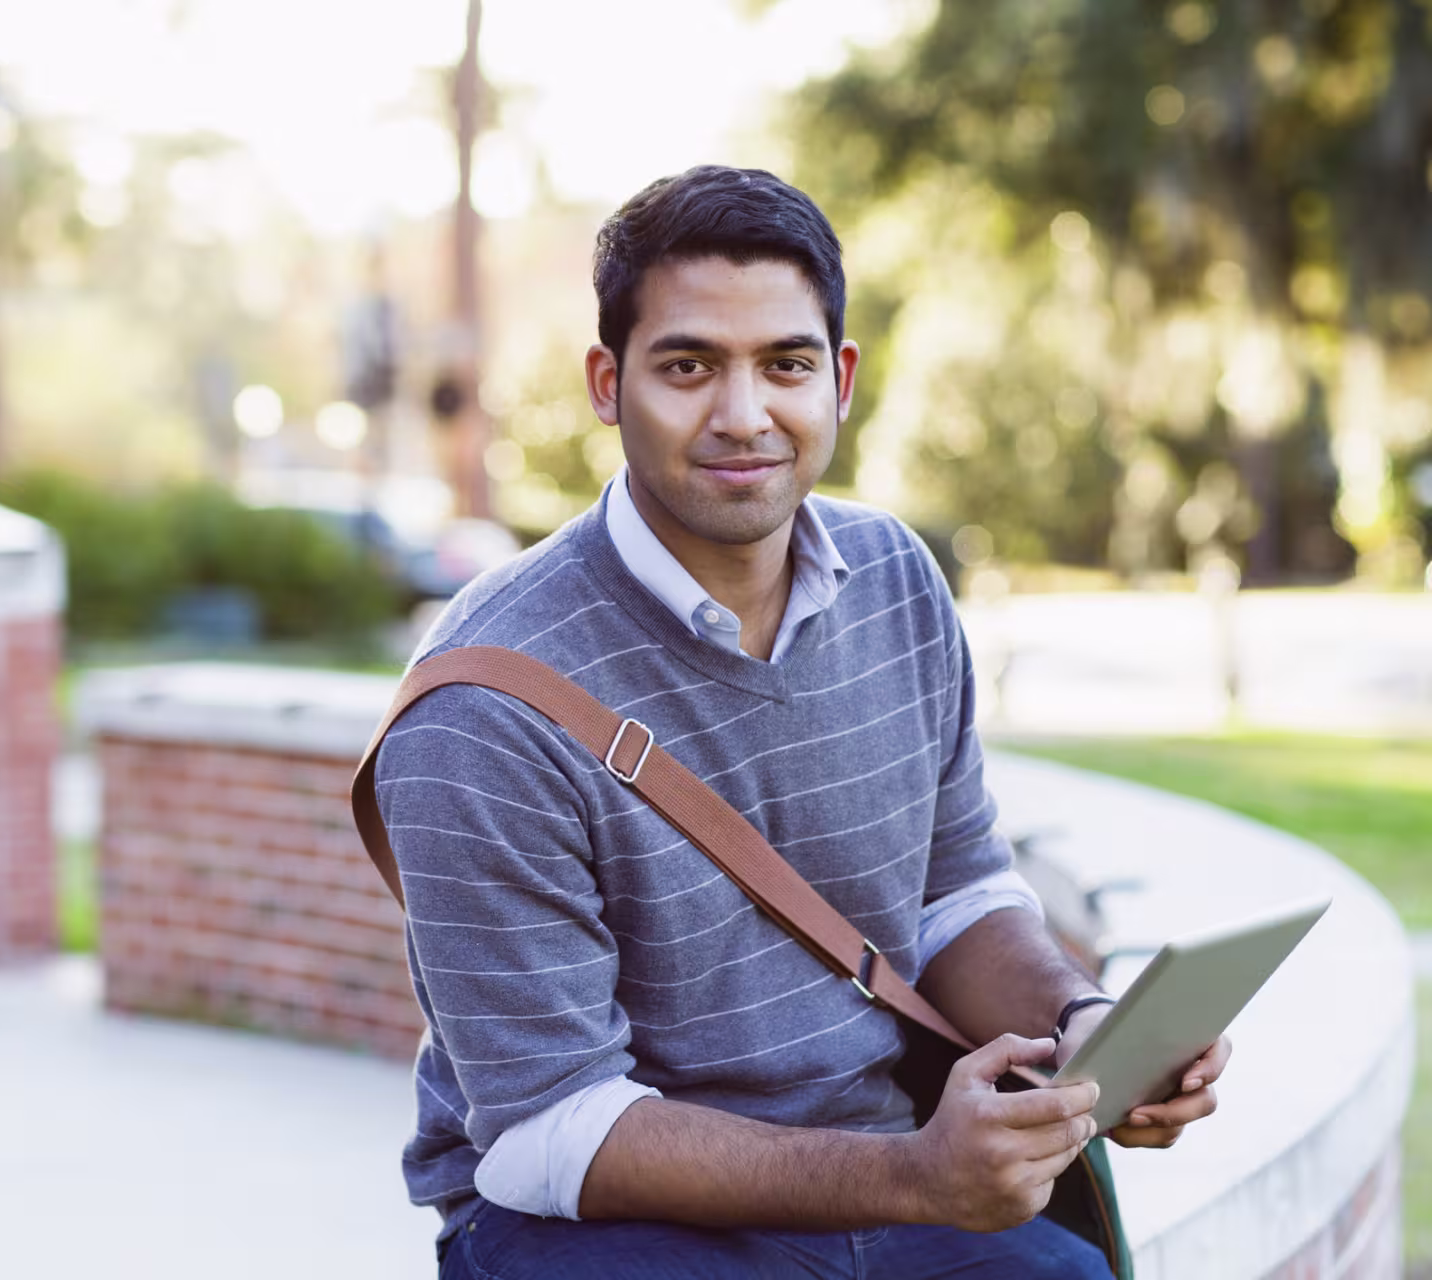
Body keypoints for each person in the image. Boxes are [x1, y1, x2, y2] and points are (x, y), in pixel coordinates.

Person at [371, 165, 1227, 1279]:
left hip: (885, 1165)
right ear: (605, 381)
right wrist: (915, 1174)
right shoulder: (484, 700)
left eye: (786, 363)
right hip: (606, 1220)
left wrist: (1089, 1030)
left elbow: (955, 894)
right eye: (688, 365)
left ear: (841, 378)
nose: (743, 414)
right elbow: (550, 1132)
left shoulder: (898, 580)